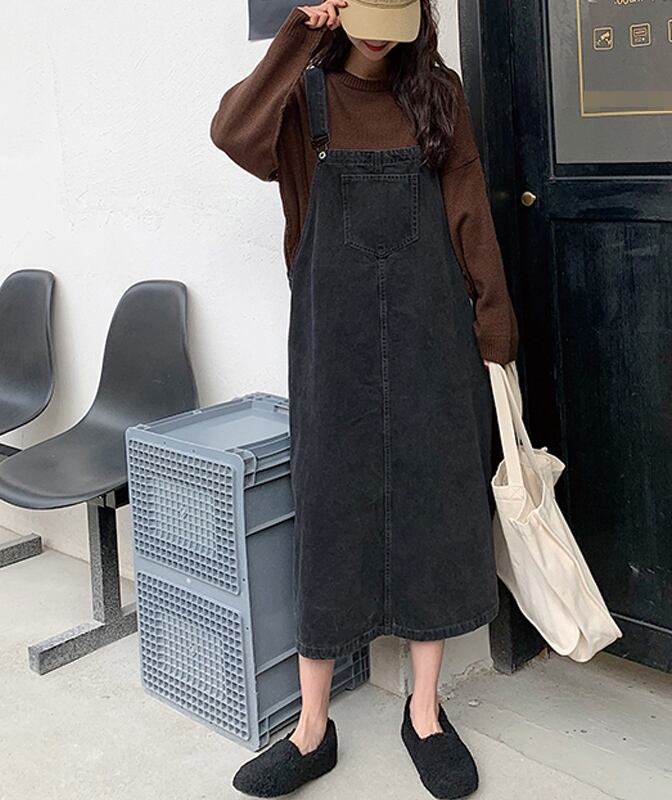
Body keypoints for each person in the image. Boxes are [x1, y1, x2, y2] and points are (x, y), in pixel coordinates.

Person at [209, 1, 519, 797]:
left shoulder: (439, 94)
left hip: (432, 339)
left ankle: (425, 713)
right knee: (328, 512)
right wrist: (298, 37)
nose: (378, 28)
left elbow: (469, 205)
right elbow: (232, 134)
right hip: (332, 347)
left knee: (432, 509)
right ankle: (311, 729)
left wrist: (495, 319)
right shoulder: (303, 98)